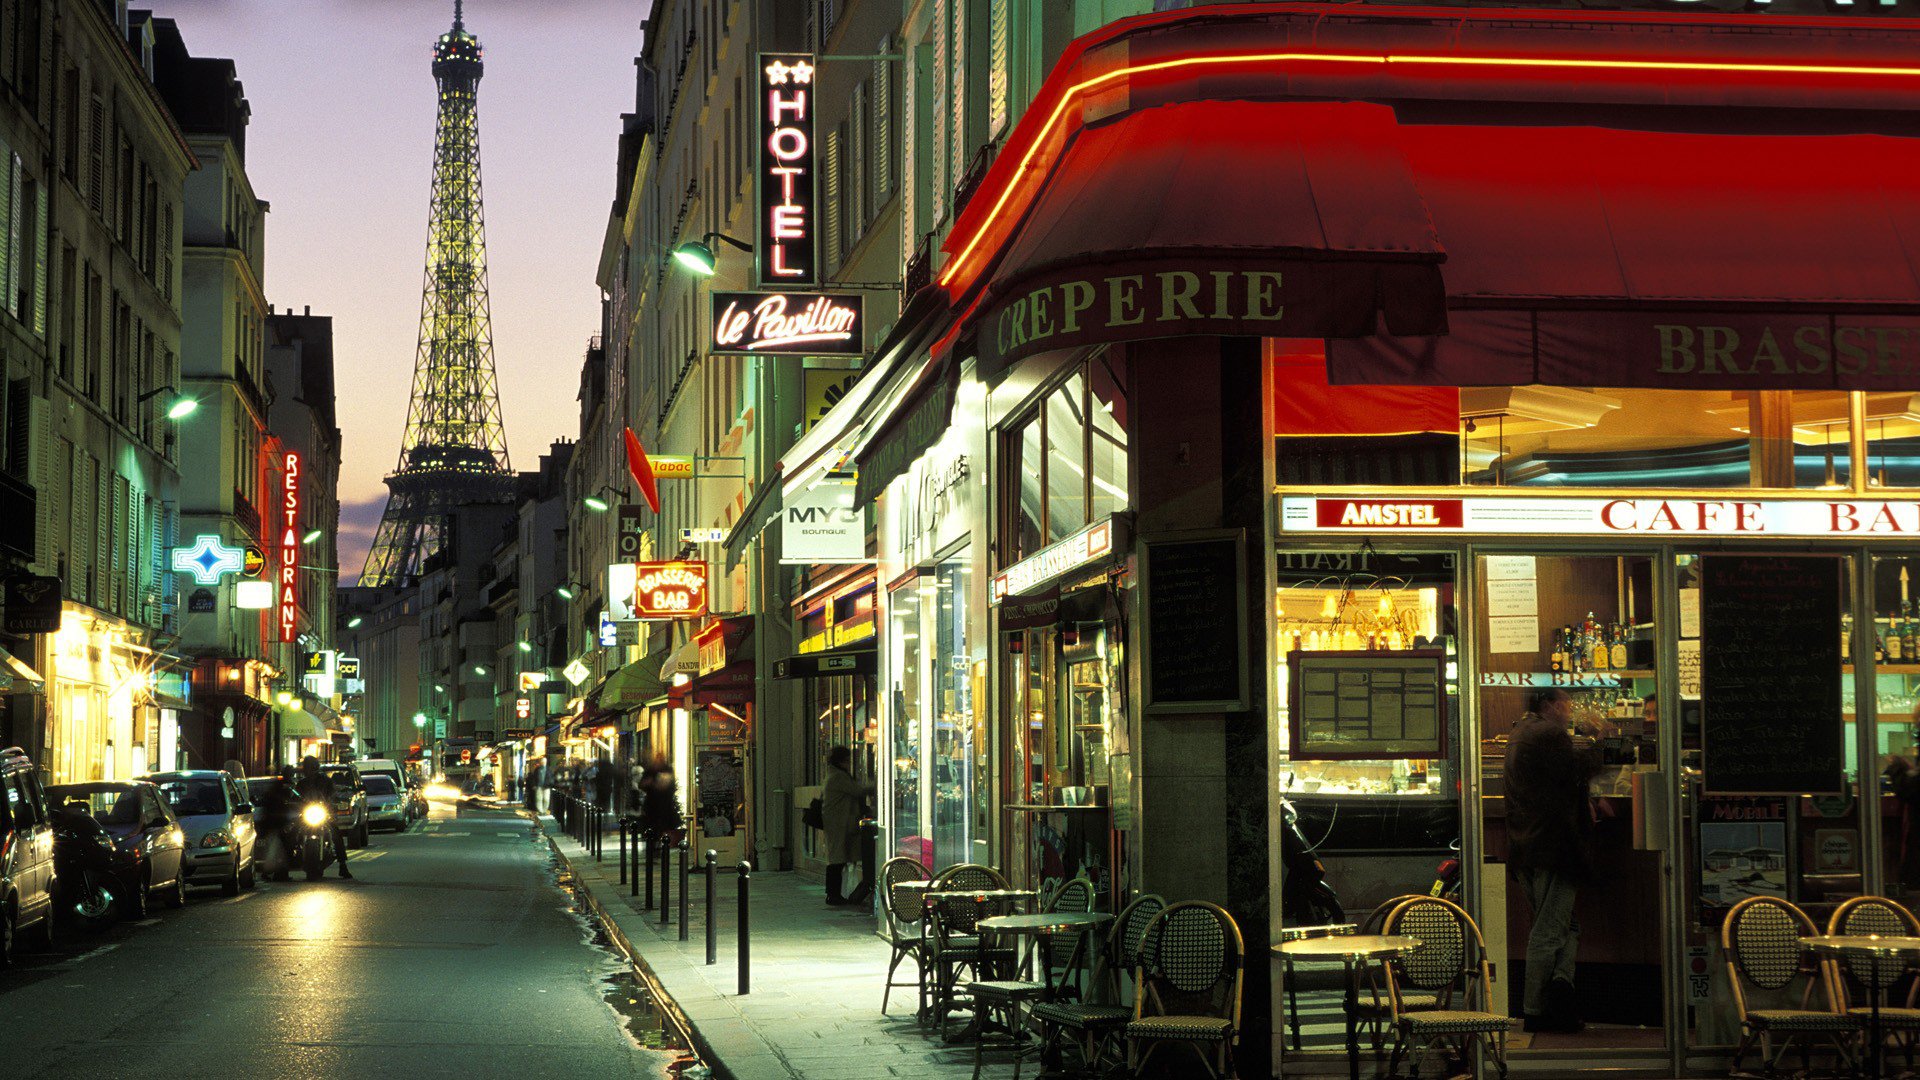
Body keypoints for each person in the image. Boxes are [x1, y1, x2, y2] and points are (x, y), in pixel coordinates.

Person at [1504, 688, 1613, 1033]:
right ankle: (1535, 1010)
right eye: (1566, 704)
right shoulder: (1550, 733)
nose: (1570, 710)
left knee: (1565, 926)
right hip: (1553, 846)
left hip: (1526, 844)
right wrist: (1602, 739)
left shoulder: (1521, 731)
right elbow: (1579, 770)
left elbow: (1555, 784)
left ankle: (1560, 993)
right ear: (1549, 706)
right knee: (1549, 931)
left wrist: (1586, 801)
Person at [821, 746, 873, 906]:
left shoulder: (834, 774)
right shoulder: (838, 776)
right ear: (841, 760)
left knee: (838, 859)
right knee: (837, 860)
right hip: (838, 823)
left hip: (838, 822)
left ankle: (834, 894)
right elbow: (858, 790)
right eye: (847, 760)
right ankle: (833, 895)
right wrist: (877, 784)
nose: (849, 763)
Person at [294, 756, 352, 879]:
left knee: (336, 834)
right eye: (307, 768)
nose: (309, 770)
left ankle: (343, 865)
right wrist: (294, 804)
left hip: (323, 813)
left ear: (316, 767)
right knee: (292, 831)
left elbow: (332, 794)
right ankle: (282, 866)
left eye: (311, 767)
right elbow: (295, 797)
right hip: (306, 814)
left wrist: (333, 803)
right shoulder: (301, 783)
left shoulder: (325, 781)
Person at [255, 769, 296, 882]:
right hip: (277, 823)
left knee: (276, 849)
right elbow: (285, 804)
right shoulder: (283, 786)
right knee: (279, 849)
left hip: (275, 823)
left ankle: (276, 873)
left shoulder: (280, 786)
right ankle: (277, 873)